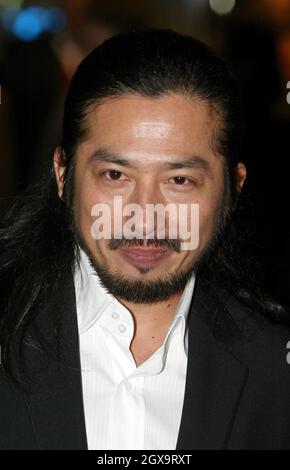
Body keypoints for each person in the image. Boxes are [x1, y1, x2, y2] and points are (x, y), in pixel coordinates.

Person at [0, 29, 290, 451]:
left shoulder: (275, 373)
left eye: (179, 180)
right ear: (63, 175)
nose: (144, 215)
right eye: (116, 175)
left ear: (233, 189)